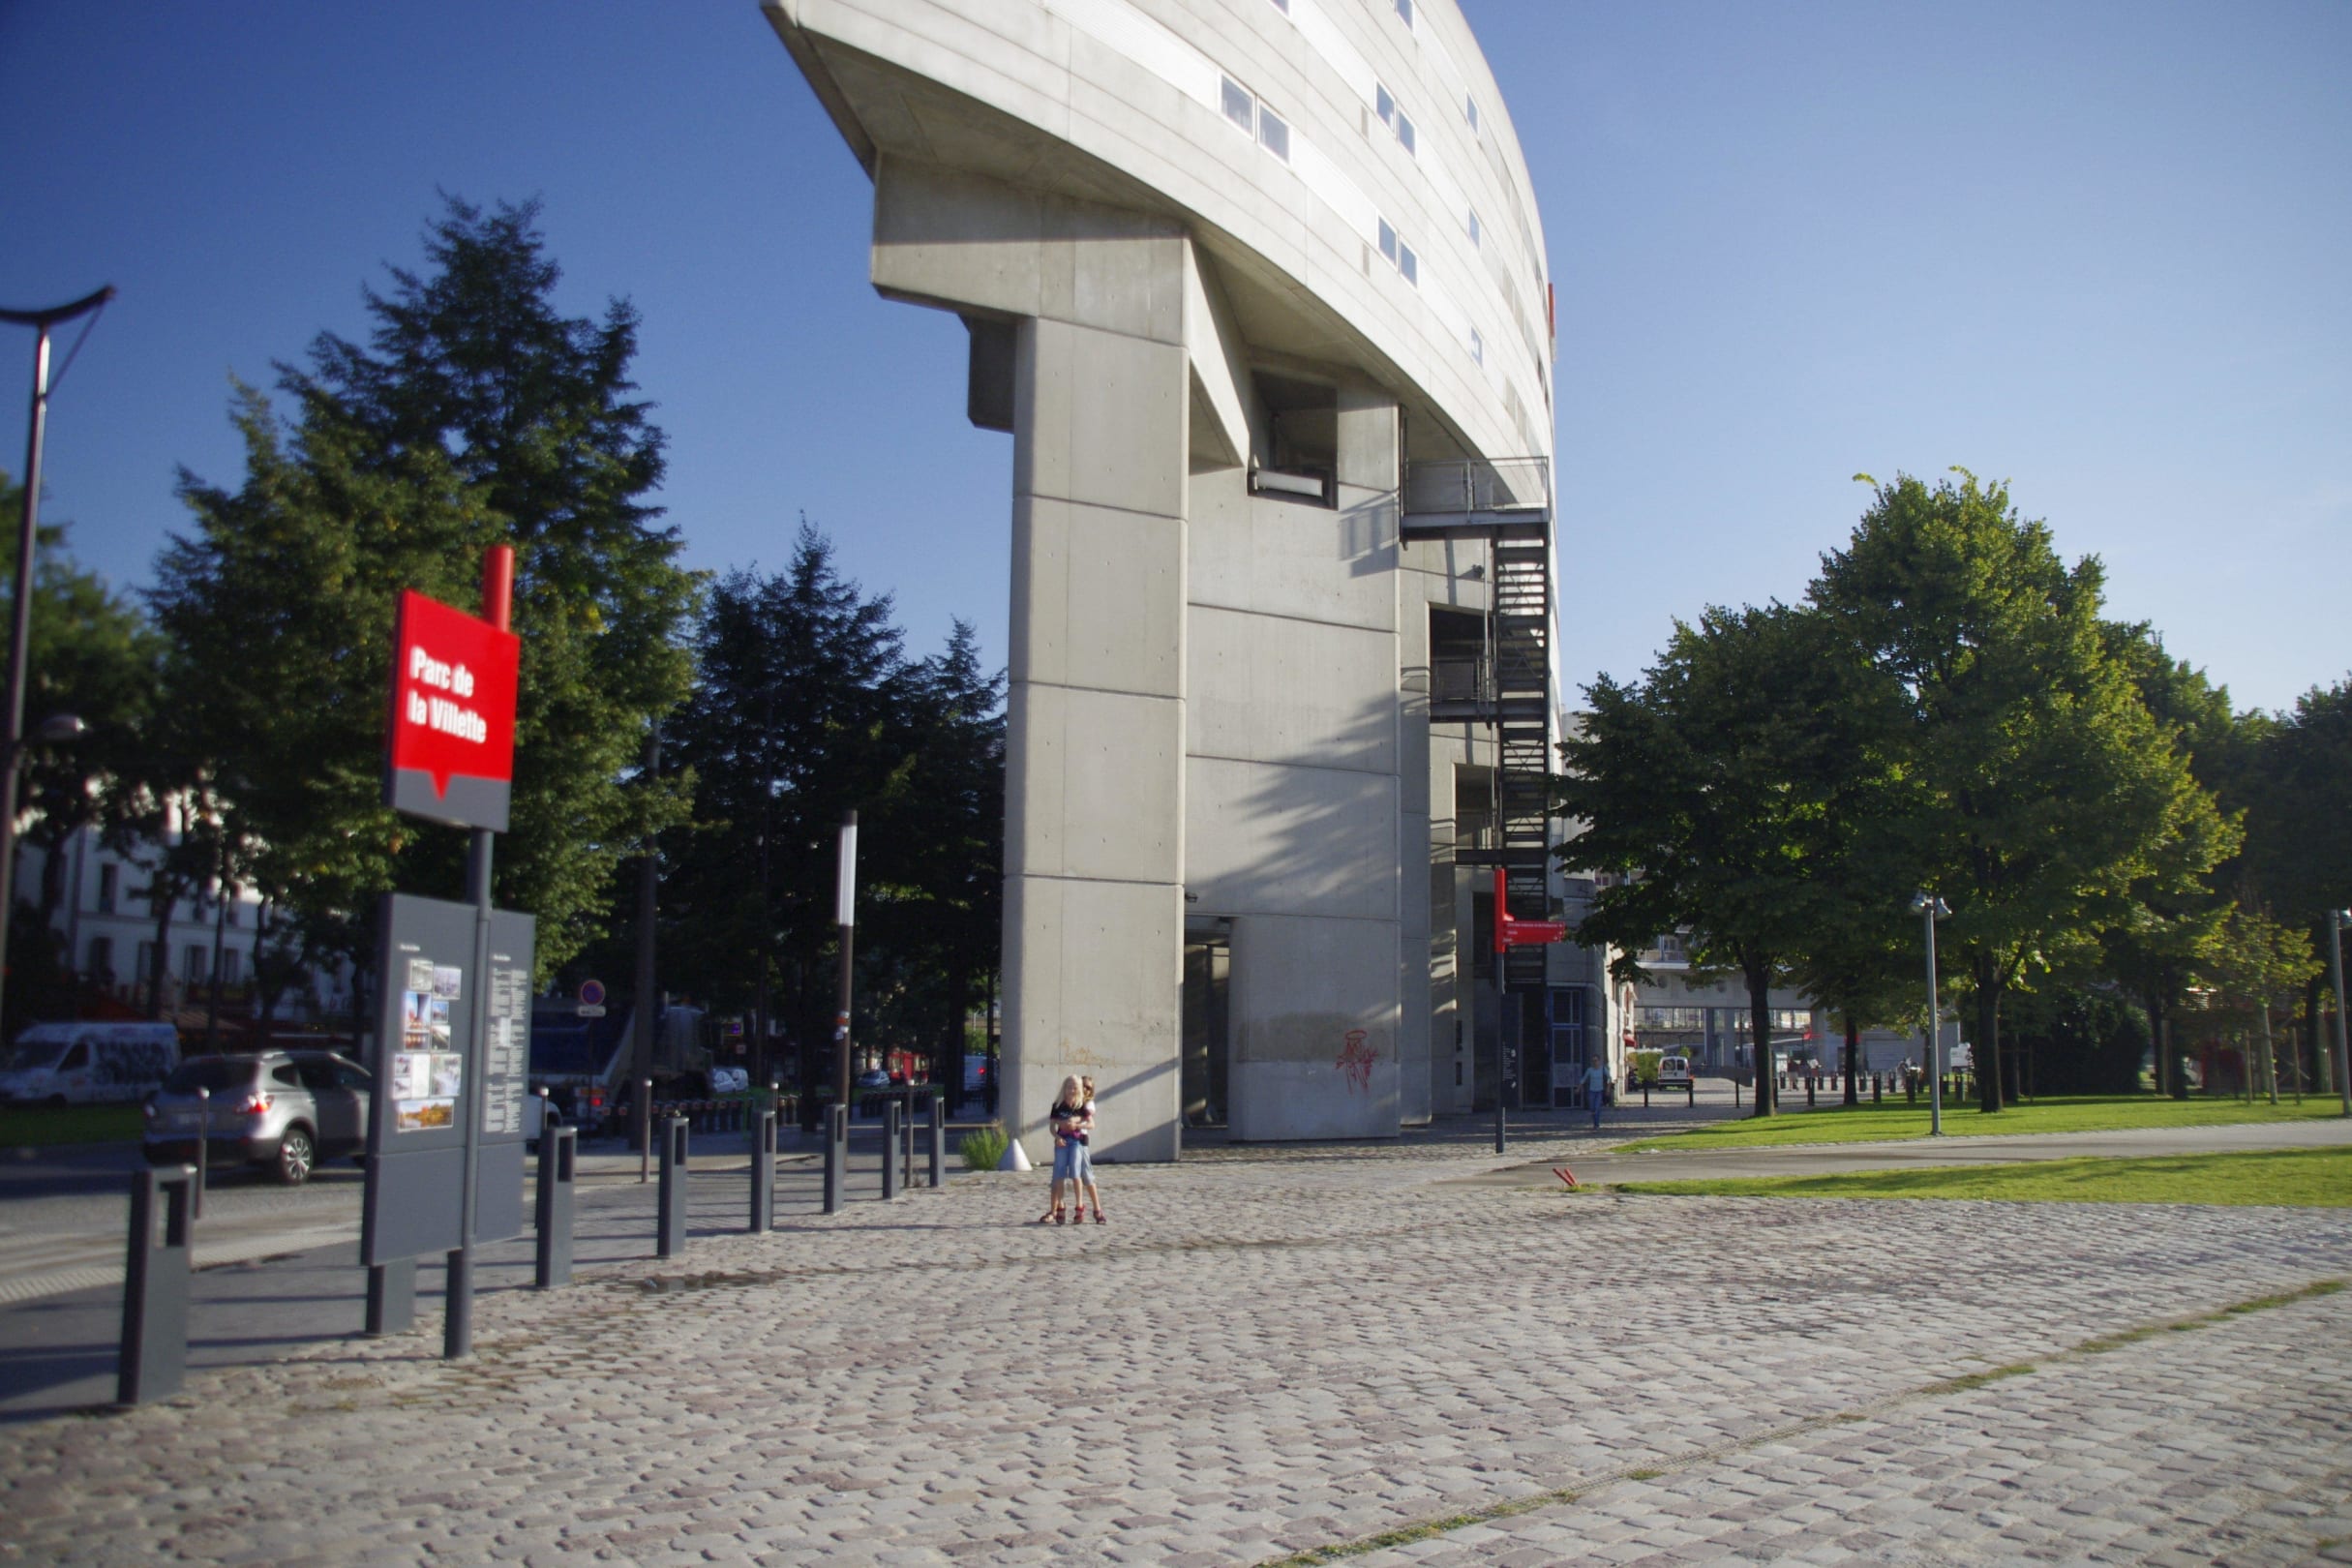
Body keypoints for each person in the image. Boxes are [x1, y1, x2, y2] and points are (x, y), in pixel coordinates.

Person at [1038, 1074, 1088, 1224]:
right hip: (1062, 1141)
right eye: (1069, 1087)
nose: (1071, 1090)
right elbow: (1052, 1127)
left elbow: (1089, 1122)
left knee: (1075, 1172)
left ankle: (1079, 1205)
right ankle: (1060, 1204)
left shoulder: (1081, 1105)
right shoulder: (1058, 1105)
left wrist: (1077, 1123)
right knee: (1060, 1173)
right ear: (1064, 1088)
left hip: (1076, 1141)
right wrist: (1057, 1136)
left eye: (1074, 1087)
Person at [1074, 1074, 1105, 1224]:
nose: (1085, 1089)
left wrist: (1075, 1123)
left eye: (1089, 1087)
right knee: (1073, 1176)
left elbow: (1088, 1117)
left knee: (1087, 1175)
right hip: (1069, 1139)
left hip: (1081, 1139)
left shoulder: (1088, 1104)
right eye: (1083, 1086)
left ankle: (1097, 1208)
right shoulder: (1071, 1101)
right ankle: (1077, 1207)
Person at [1582, 1056, 1611, 1132]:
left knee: (1597, 1108)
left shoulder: (1603, 1069)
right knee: (1592, 1108)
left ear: (1599, 1061)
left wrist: (1608, 1088)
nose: (1595, 1062)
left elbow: (1609, 1078)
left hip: (1600, 1091)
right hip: (1592, 1091)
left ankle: (1596, 1124)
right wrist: (1578, 1087)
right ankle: (1595, 1121)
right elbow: (1584, 1079)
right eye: (1593, 1061)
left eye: (1596, 1060)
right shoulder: (1590, 1070)